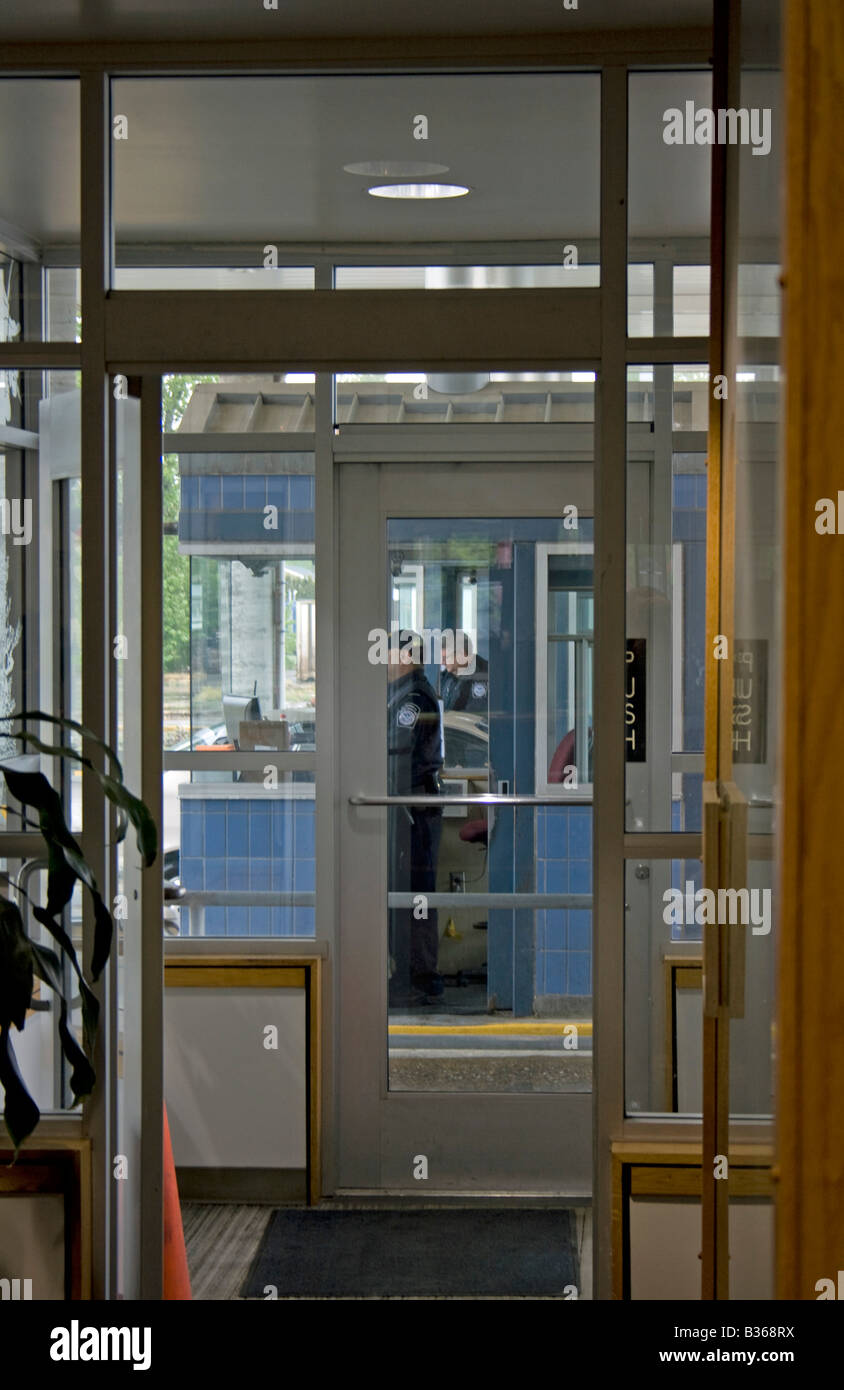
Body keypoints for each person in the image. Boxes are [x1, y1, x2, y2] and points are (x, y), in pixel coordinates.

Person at [387, 630, 445, 1007]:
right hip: (405, 806)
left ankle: (419, 977)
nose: (384, 661)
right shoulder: (401, 692)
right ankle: (409, 972)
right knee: (407, 890)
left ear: (407, 657)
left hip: (413, 809)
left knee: (415, 892)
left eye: (389, 652)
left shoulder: (415, 697)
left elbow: (397, 750)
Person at [439, 631, 489, 714]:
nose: (442, 662)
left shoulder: (482, 676)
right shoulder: (447, 675)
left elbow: (475, 714)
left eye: (446, 657)